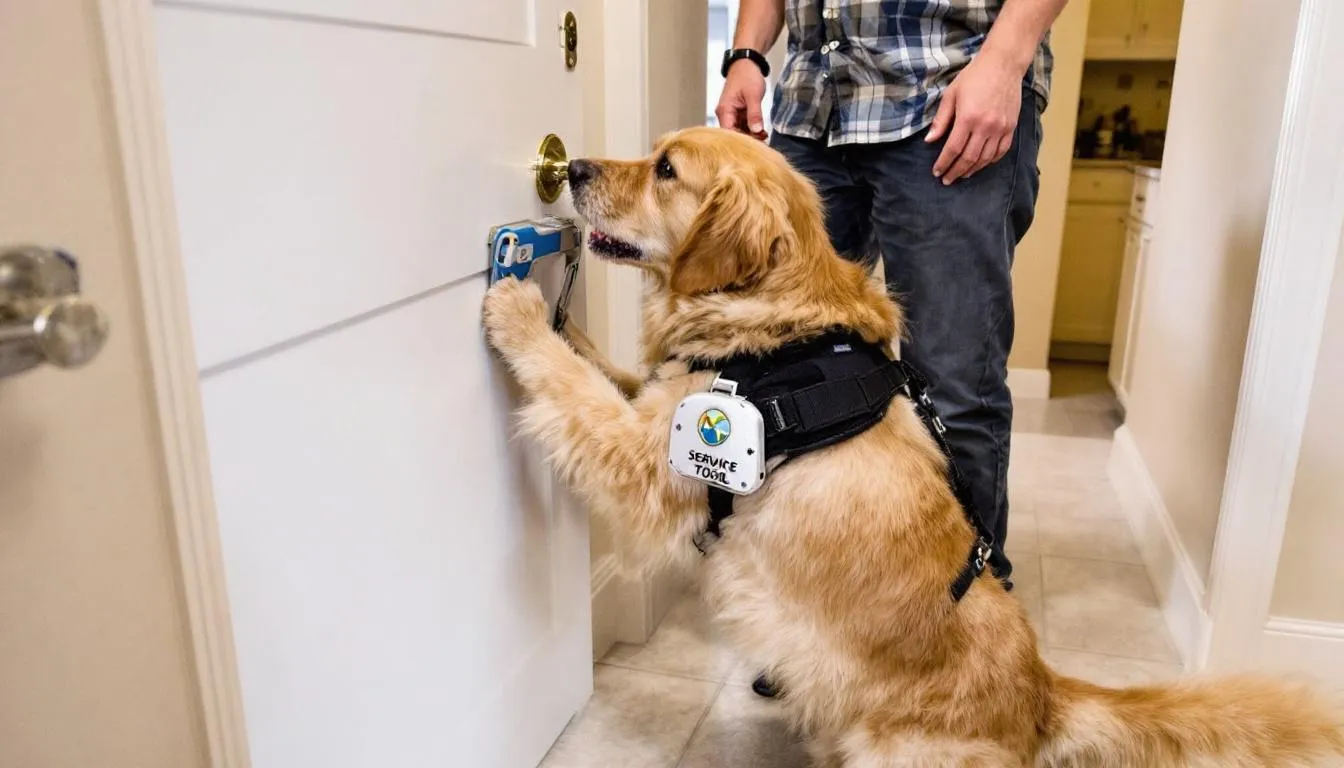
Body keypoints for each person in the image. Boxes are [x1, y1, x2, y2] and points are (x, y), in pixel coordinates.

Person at [715, 0, 1066, 699]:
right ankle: (816, 619)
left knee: (952, 385)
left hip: (947, 92)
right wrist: (748, 55)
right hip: (813, 107)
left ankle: (959, 638)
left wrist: (1005, 58)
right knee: (780, 379)